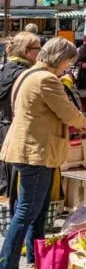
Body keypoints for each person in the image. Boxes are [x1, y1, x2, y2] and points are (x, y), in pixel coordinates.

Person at [0, 38, 86, 269]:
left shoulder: (28, 74)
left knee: (37, 211)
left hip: (28, 149)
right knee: (27, 210)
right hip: (36, 152)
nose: (67, 67)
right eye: (68, 62)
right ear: (60, 58)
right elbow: (68, 113)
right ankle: (7, 268)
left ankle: (35, 259)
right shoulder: (46, 80)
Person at [0, 33, 41, 198]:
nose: (40, 52)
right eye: (38, 48)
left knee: (6, 179)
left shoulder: (4, 69)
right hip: (17, 130)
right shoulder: (25, 75)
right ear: (26, 51)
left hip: (4, 127)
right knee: (17, 186)